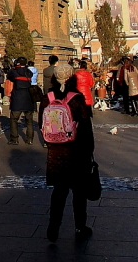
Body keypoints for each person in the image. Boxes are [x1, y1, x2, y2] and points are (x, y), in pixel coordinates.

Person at [39, 62, 94, 242]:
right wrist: (89, 151)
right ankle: (80, 227)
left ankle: (53, 228)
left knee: (59, 192)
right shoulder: (76, 98)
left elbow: (42, 124)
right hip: (76, 151)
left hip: (56, 151)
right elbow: (85, 127)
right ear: (71, 77)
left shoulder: (47, 97)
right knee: (79, 193)